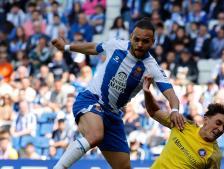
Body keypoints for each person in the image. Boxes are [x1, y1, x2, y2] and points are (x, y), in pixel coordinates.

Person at [51, 17, 185, 169]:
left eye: (145, 41)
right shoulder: (116, 45)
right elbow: (93, 48)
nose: (140, 44)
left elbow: (171, 94)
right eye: (137, 39)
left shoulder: (152, 67)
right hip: (91, 99)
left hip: (113, 116)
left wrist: (174, 110)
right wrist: (67, 47)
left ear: (153, 42)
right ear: (131, 37)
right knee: (95, 135)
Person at [142, 76, 224, 169]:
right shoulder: (182, 124)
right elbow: (153, 112)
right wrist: (147, 92)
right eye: (218, 123)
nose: (221, 129)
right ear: (206, 120)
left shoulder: (214, 155)